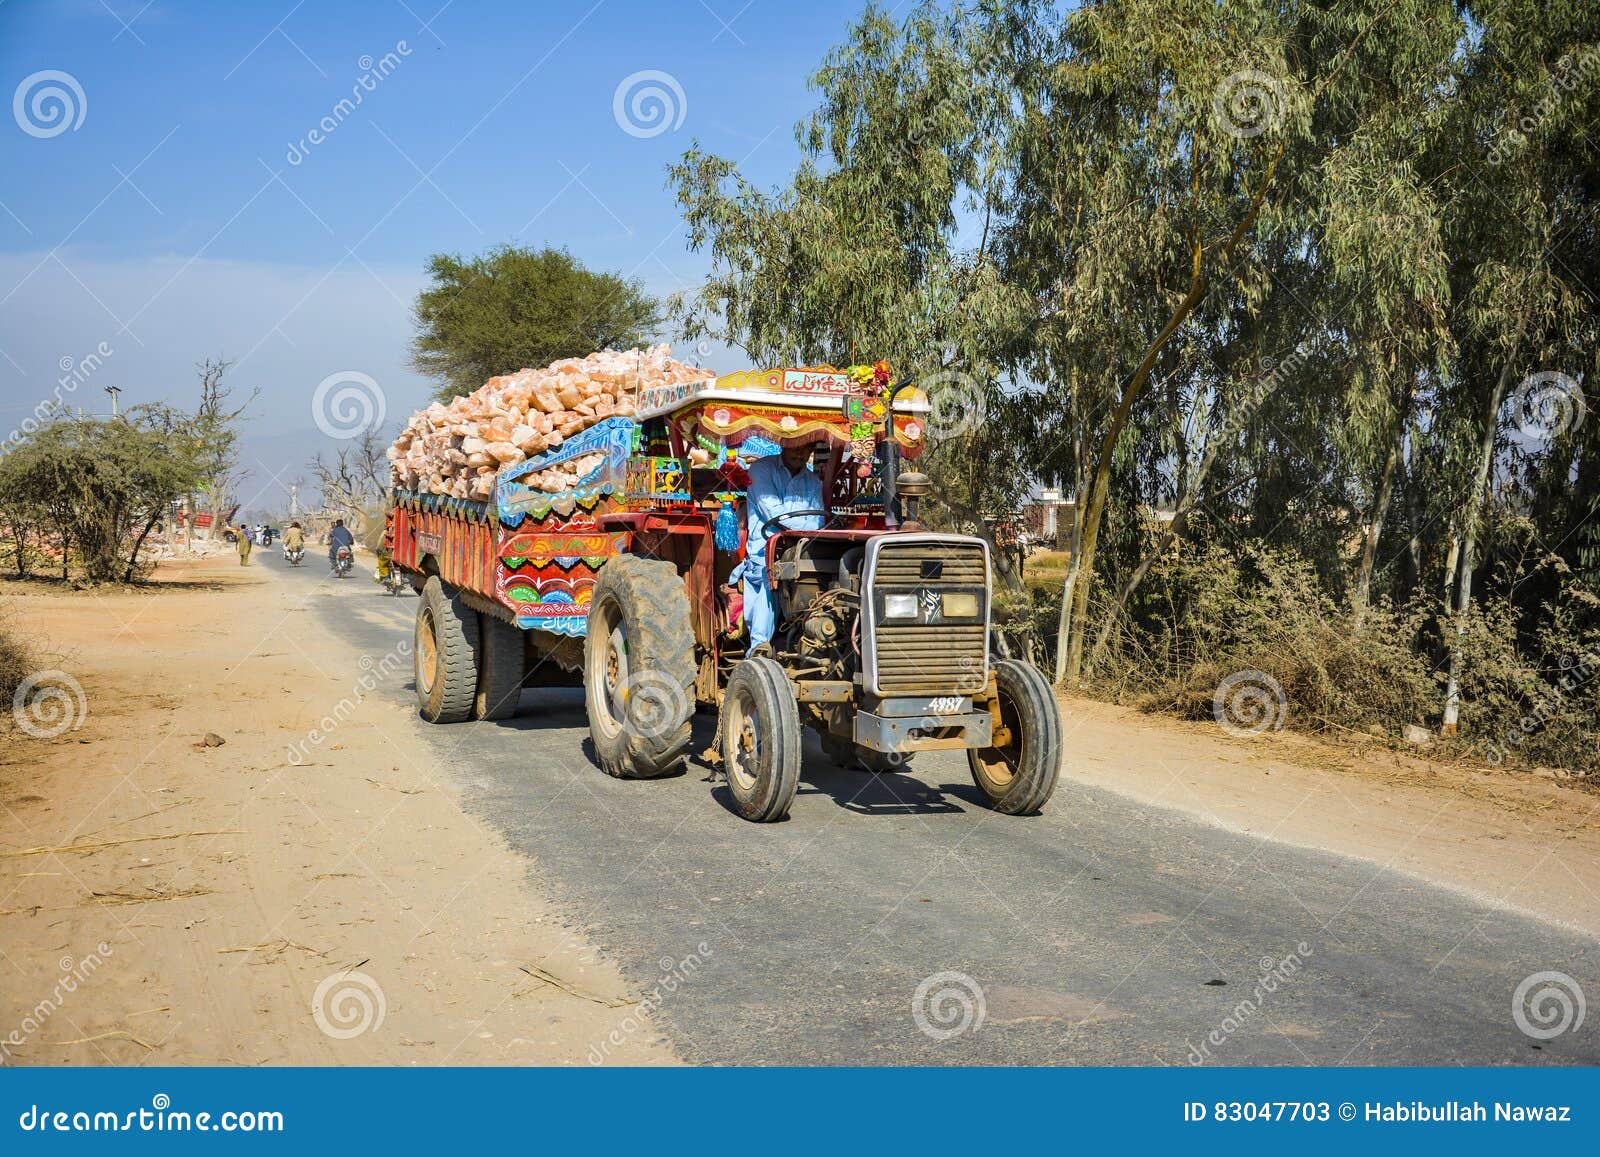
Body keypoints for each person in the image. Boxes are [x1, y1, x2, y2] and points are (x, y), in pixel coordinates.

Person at [742, 441, 825, 654]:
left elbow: (817, 522)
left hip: (802, 551)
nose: (800, 451)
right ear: (784, 443)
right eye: (796, 444)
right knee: (772, 578)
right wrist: (803, 526)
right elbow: (774, 513)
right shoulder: (761, 469)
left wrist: (803, 528)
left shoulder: (813, 481)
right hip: (764, 552)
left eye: (806, 447)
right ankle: (758, 647)